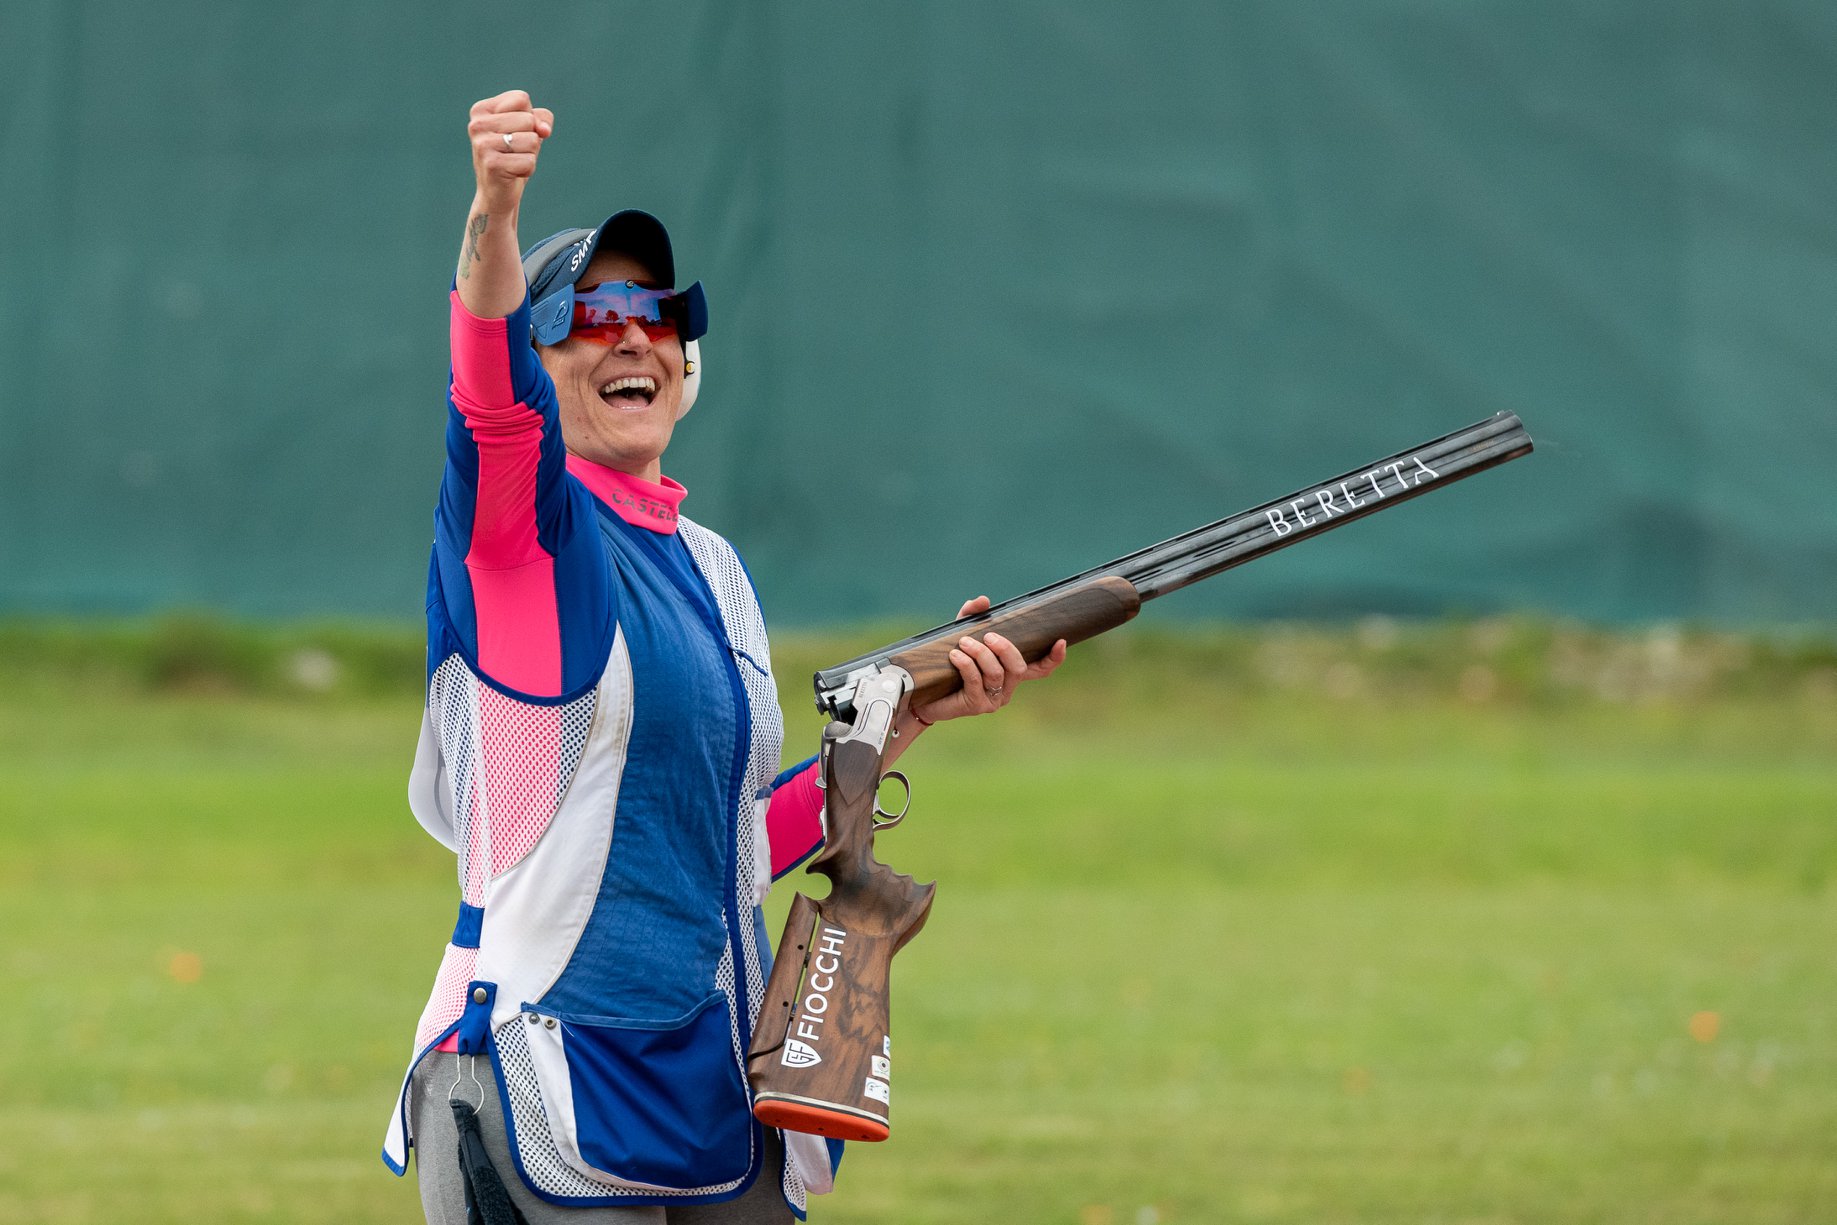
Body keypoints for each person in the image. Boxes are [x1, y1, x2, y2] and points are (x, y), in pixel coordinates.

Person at [379, 90, 1067, 1224]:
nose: (632, 333)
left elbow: (725, 848)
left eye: (654, 312)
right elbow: (491, 414)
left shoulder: (712, 564)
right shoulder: (523, 544)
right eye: (588, 316)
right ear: (538, 361)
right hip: (550, 1067)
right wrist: (491, 221)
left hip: (716, 1079)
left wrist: (905, 721)